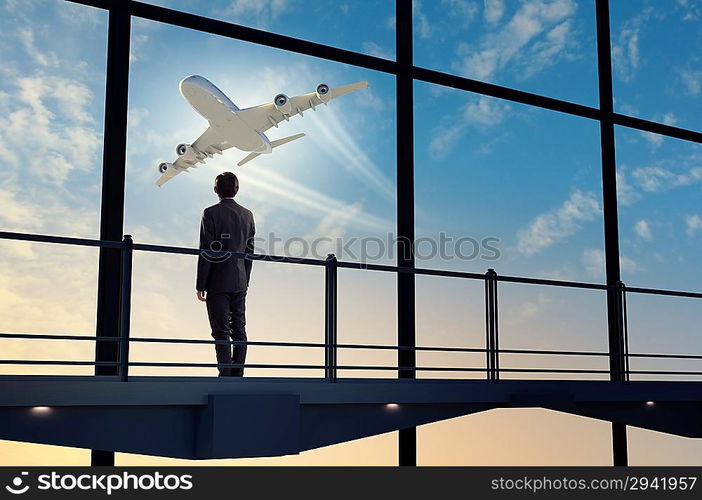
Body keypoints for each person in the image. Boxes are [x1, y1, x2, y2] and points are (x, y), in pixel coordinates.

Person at [196, 172, 255, 377]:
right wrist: (245, 280)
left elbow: (207, 249)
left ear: (215, 190)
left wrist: (201, 283)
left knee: (221, 331)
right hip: (239, 280)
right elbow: (249, 252)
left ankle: (225, 374)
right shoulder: (247, 215)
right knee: (239, 329)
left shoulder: (210, 213)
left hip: (217, 281)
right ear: (236, 190)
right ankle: (237, 374)